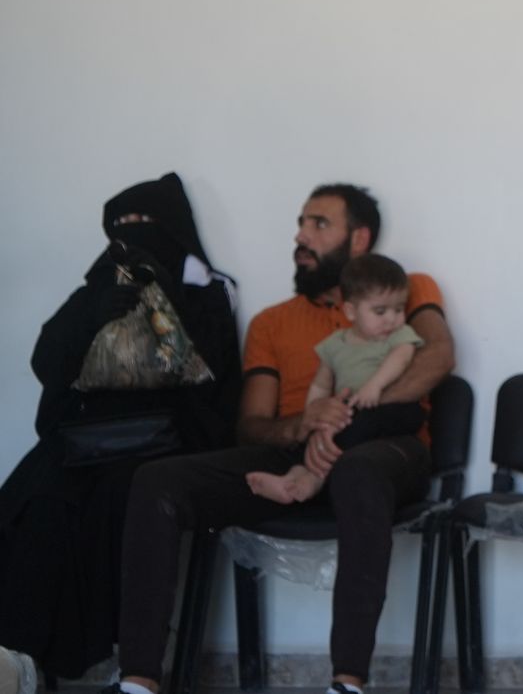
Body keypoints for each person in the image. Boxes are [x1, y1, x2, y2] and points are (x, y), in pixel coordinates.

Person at [110, 184, 455, 694]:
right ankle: (138, 682)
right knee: (157, 480)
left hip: (387, 446)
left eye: (319, 224)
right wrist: (304, 423)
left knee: (358, 469)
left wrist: (349, 419)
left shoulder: (404, 288)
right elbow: (252, 425)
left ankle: (348, 682)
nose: (301, 236)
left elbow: (438, 357)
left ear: (359, 239)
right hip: (295, 450)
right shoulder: (272, 322)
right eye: (300, 223)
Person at [0, 173, 239, 682]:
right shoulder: (95, 289)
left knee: (122, 502)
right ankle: (23, 656)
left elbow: (215, 381)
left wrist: (165, 304)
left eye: (145, 220)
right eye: (123, 223)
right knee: (33, 498)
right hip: (85, 438)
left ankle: (121, 653)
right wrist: (93, 315)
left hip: (167, 438)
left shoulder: (206, 296)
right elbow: (48, 362)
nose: (133, 231)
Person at [247, 254, 425, 504]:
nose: (392, 319)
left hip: (392, 410)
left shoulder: (399, 335)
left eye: (399, 309)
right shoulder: (334, 344)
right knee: (326, 431)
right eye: (380, 311)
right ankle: (296, 475)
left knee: (354, 423)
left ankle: (314, 478)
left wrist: (375, 385)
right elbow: (321, 384)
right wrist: (315, 416)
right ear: (351, 311)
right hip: (352, 413)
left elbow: (402, 358)